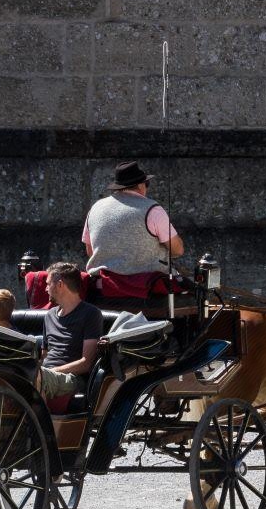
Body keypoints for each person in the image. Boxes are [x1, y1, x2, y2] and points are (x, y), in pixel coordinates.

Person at [82, 161, 184, 298]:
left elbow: (90, 251)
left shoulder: (95, 208)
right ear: (141, 185)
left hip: (103, 287)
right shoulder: (152, 209)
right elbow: (177, 250)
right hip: (147, 288)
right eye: (147, 184)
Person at [34, 262, 102, 401]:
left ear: (60, 285)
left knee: (35, 377)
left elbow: (86, 363)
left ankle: (39, 422)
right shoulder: (49, 315)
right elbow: (44, 356)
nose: (46, 289)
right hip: (47, 374)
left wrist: (48, 372)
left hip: (71, 378)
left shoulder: (91, 314)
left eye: (48, 284)